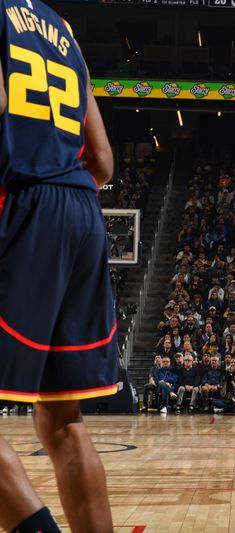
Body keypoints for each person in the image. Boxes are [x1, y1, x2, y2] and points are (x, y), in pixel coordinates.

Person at [0, 3, 119, 531]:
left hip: (24, 206)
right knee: (63, 421)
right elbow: (104, 160)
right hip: (81, 213)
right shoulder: (65, 33)